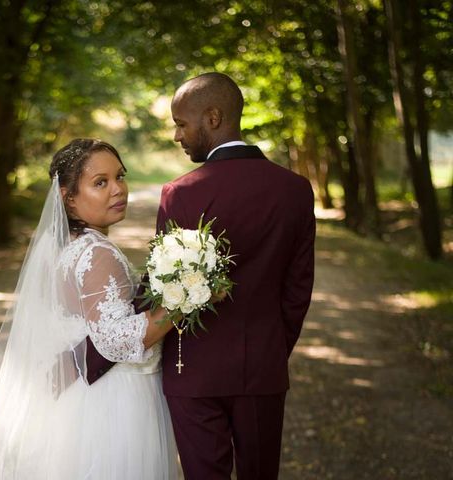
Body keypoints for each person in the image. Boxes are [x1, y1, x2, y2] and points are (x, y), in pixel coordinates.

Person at [87, 72, 316, 479]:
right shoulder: (295, 189)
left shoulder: (183, 192)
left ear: (212, 117)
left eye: (180, 123)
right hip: (263, 366)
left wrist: (97, 352)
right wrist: (273, 350)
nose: (178, 135)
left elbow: (160, 288)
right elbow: (298, 289)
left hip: (191, 369)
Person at [0, 139, 178, 479]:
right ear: (68, 197)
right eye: (100, 182)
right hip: (111, 404)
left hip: (77, 400)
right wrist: (184, 301)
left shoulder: (63, 248)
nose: (118, 189)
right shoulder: (97, 253)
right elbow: (115, 342)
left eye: (120, 176)